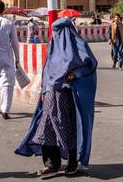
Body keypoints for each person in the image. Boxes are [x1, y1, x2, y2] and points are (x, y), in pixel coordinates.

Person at [16, 17, 97, 175]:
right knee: (46, 129)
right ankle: (51, 164)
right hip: (50, 95)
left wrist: (75, 73)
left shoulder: (78, 45)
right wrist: (44, 90)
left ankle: (73, 163)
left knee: (69, 130)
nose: (57, 35)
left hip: (68, 96)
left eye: (59, 31)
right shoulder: (53, 46)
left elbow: (90, 65)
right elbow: (47, 70)